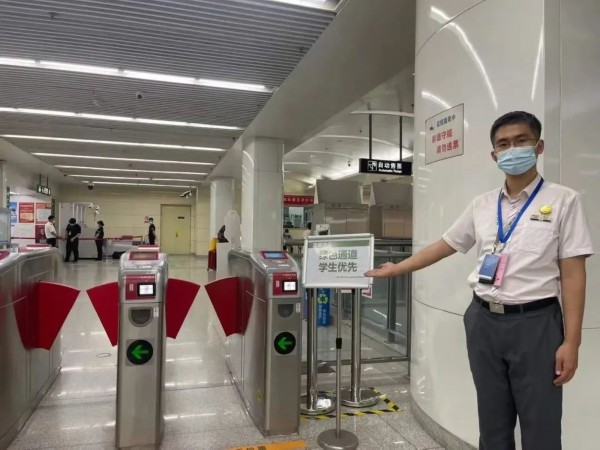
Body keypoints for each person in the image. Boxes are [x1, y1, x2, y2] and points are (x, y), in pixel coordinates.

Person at [366, 111, 593, 450]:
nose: (511, 149)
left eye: (521, 141)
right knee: (492, 419)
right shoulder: (483, 205)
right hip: (483, 320)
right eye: (503, 144)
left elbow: (574, 274)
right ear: (494, 154)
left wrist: (571, 342)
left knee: (541, 424)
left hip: (536, 324)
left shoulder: (563, 200)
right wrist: (398, 268)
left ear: (539, 146)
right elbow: (446, 244)